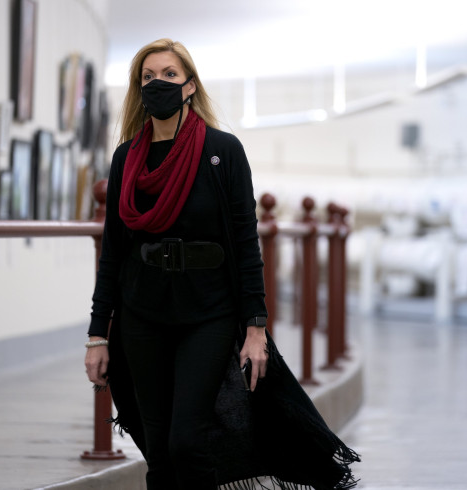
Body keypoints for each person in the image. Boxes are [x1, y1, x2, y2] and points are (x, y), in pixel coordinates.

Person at [85, 38, 358, 490]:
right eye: (148, 77)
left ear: (190, 85)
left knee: (187, 442)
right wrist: (98, 334)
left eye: (169, 75)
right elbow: (113, 251)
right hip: (142, 314)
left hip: (207, 313)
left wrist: (255, 328)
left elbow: (246, 246)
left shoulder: (222, 151)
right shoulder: (126, 158)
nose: (159, 84)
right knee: (158, 450)